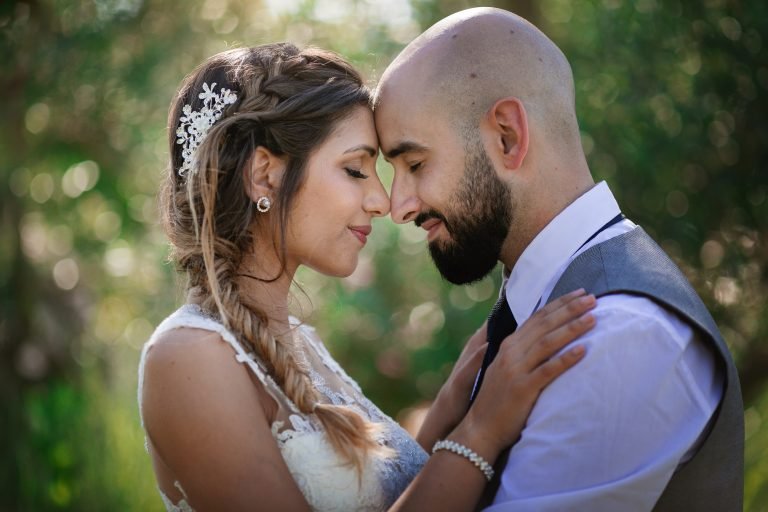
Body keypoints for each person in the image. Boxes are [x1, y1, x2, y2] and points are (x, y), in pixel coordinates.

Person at [137, 43, 597, 511]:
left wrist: (453, 404)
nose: (383, 202)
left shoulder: (300, 344)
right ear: (264, 175)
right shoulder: (187, 358)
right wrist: (482, 429)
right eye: (355, 169)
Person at [374, 7, 744, 512]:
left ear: (507, 135)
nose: (400, 206)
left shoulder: (615, 334)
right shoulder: (542, 306)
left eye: (415, 164)